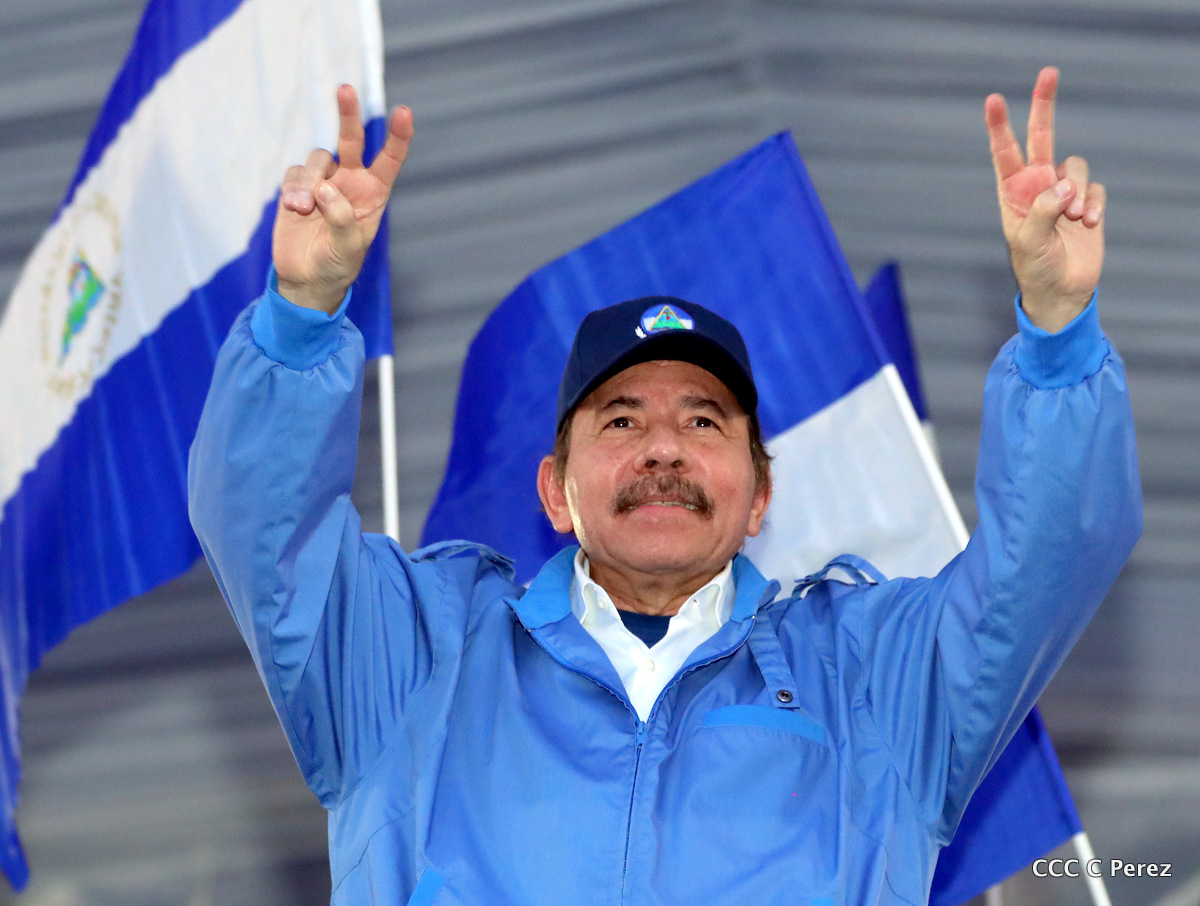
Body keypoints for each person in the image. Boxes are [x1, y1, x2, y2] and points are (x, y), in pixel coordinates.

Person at [188, 68, 1141, 905]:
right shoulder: (410, 656)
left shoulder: (874, 683)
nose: (662, 450)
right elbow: (262, 529)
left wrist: (1058, 336)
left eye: (703, 421)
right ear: (555, 492)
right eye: (619, 421)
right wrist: (300, 317)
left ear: (760, 496)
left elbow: (1044, 564)